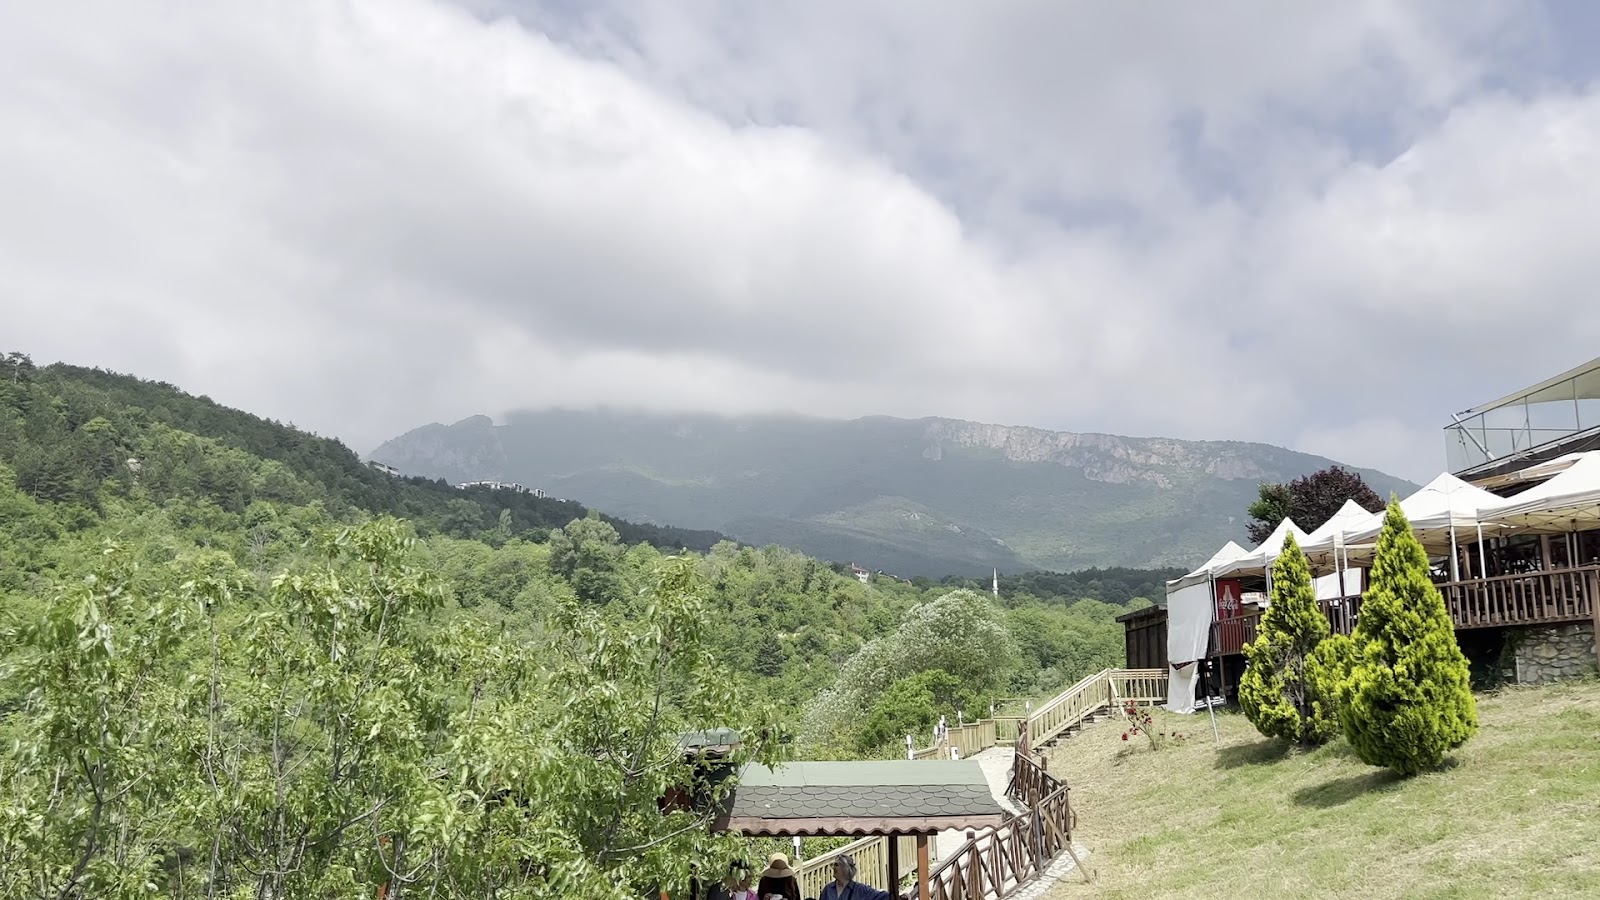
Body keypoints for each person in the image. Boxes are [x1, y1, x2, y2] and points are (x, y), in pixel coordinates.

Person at [817, 854, 892, 900]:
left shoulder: (861, 890)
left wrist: (899, 897)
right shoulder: (828, 889)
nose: (833, 868)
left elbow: (882, 896)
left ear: (844, 868)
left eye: (836, 865)